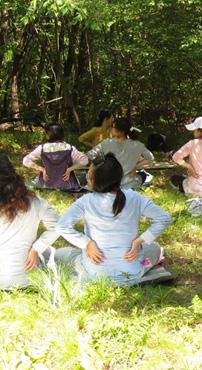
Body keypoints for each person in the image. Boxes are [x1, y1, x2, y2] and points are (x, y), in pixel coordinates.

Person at [55, 153, 172, 286]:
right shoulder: (135, 197)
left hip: (95, 274)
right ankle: (150, 270)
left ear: (95, 180)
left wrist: (87, 244)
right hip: (132, 273)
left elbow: (61, 226)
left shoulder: (86, 201)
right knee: (155, 248)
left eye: (89, 176)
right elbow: (164, 219)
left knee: (60, 253)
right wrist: (139, 241)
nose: (87, 178)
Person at [0, 154, 60, 289]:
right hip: (25, 277)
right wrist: (36, 249)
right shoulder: (35, 202)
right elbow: (59, 226)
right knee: (50, 252)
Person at [88, 118, 154, 189]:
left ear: (121, 132)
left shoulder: (106, 143)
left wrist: (102, 163)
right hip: (129, 183)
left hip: (109, 182)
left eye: (113, 127)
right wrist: (136, 166)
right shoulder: (137, 145)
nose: (111, 129)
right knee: (143, 175)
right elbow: (150, 158)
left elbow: (90, 155)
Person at [23, 124, 88, 191]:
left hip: (46, 185)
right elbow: (85, 160)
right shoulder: (70, 148)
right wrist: (70, 169)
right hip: (68, 186)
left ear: (48, 135)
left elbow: (25, 161)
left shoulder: (42, 148)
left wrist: (42, 169)